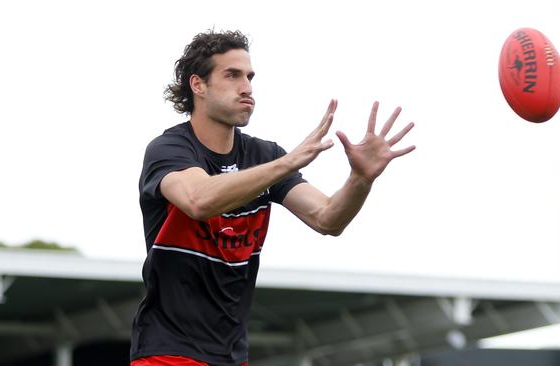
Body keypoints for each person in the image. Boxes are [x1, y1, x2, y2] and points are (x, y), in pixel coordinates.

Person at [130, 29, 415, 366]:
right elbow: (198, 199)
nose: (247, 87)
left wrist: (360, 179)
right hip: (168, 351)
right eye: (232, 75)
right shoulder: (170, 149)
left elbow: (328, 218)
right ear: (198, 85)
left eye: (250, 76)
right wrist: (287, 162)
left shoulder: (264, 156)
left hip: (233, 355)